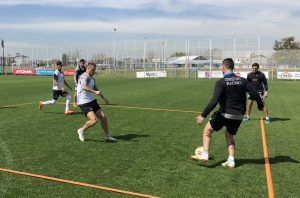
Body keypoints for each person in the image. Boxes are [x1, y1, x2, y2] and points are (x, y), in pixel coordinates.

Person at [191, 58, 264, 168]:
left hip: (225, 113)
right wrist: (260, 105)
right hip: (239, 115)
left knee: (207, 131)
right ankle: (231, 160)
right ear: (233, 67)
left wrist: (203, 115)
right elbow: (255, 93)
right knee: (229, 135)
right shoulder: (243, 80)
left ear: (223, 67)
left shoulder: (221, 82)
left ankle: (205, 154)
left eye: (221, 67)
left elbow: (214, 101)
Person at [76, 62, 117, 142]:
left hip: (91, 101)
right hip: (84, 102)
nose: (94, 71)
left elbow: (97, 89)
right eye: (92, 70)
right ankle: (81, 130)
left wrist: (105, 99)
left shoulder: (92, 78)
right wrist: (94, 92)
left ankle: (107, 136)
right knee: (94, 120)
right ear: (88, 68)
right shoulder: (84, 76)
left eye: (94, 70)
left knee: (104, 118)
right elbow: (84, 87)